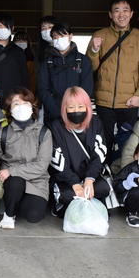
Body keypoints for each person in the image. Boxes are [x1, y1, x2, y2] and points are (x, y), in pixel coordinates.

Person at [86, 0, 139, 152]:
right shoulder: (99, 35)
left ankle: (124, 170)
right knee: (103, 139)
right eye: (117, 10)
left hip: (129, 100)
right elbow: (90, 68)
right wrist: (94, 51)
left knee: (128, 140)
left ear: (131, 14)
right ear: (110, 15)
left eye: (125, 10)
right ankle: (103, 169)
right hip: (103, 100)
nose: (121, 14)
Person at [0, 87, 52, 228]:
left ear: (33, 107)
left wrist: (12, 170)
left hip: (36, 182)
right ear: (9, 109)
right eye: (16, 104)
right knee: (15, 182)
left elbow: (41, 166)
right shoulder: (2, 133)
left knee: (33, 216)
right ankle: (9, 213)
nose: (21, 107)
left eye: (25, 103)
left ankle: (15, 202)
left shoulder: (44, 132)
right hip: (11, 182)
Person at [48, 87, 109, 218]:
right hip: (66, 179)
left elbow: (99, 155)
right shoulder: (56, 127)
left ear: (87, 107)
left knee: (104, 188)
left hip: (89, 177)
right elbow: (57, 161)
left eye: (81, 106)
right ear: (64, 108)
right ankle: (64, 206)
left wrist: (89, 180)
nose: (76, 111)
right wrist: (75, 183)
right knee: (68, 195)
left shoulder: (96, 123)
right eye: (71, 107)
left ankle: (87, 205)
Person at [38, 22, 94, 124]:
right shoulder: (46, 62)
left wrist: (73, 109)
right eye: (55, 37)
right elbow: (43, 89)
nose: (59, 39)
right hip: (53, 114)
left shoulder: (83, 60)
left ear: (70, 36)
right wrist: (56, 111)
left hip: (76, 114)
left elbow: (87, 88)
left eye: (62, 35)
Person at [13, 30, 37, 94]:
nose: (21, 42)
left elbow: (33, 80)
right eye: (18, 40)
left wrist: (31, 94)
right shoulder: (9, 57)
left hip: (28, 92)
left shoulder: (32, 58)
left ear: (28, 42)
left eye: (23, 40)